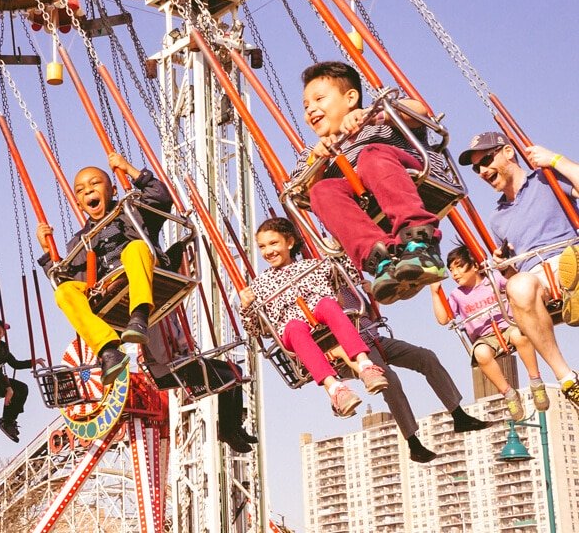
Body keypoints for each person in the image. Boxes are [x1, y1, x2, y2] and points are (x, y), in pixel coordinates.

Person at [291, 61, 449, 304]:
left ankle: (420, 241)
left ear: (351, 97)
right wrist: (319, 161)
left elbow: (419, 110)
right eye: (306, 106)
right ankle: (381, 259)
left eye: (319, 99)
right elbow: (306, 192)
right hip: (365, 204)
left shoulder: (376, 119)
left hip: (408, 177)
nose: (310, 110)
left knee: (371, 155)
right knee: (322, 190)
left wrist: (376, 115)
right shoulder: (313, 154)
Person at [458, 132, 579, 408]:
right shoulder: (497, 221)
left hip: (568, 253)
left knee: (571, 262)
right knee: (517, 287)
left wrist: (555, 160)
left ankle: (573, 283)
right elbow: (512, 277)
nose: (482, 171)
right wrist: (503, 266)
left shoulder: (547, 179)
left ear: (509, 153)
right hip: (539, 277)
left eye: (487, 160)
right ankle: (567, 378)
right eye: (477, 168)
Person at [37, 152, 172, 386]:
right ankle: (109, 350)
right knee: (64, 293)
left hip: (141, 268)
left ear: (113, 190)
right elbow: (67, 280)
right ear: (79, 203)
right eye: (80, 190)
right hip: (108, 287)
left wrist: (128, 169)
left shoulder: (131, 211)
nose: (88, 190)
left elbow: (161, 199)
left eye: (95, 183)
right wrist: (49, 255)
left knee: (135, 248)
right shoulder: (80, 241)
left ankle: (139, 316)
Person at [239, 217, 388, 418]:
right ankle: (335, 389)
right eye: (262, 246)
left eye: (274, 243)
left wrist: (337, 252)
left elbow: (350, 278)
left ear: (289, 242)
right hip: (293, 329)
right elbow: (255, 330)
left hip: (321, 314)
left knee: (327, 304)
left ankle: (365, 366)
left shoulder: (313, 266)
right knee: (293, 327)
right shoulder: (260, 284)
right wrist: (246, 307)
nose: (268, 251)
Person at [338, 285, 490, 463]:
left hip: (375, 339)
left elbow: (371, 317)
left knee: (426, 357)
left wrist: (371, 294)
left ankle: (459, 415)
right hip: (357, 350)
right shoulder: (324, 299)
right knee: (389, 380)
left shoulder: (349, 287)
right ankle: (413, 444)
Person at [430, 245, 550, 422]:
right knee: (480, 354)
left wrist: (506, 265)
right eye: (451, 270)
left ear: (475, 266)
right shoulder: (457, 295)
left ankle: (535, 381)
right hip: (484, 338)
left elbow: (515, 284)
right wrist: (434, 292)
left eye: (459, 266)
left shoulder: (493, 279)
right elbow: (443, 319)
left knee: (520, 335)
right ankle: (508, 393)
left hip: (508, 326)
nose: (454, 273)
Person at [143, 315, 257, 453]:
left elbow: (184, 340)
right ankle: (227, 431)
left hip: (183, 361)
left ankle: (235, 426)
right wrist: (182, 346)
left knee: (236, 370)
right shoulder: (154, 322)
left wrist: (184, 345)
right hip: (169, 369)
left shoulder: (170, 315)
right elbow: (162, 356)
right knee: (228, 378)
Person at [0, 319, 46, 442]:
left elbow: (14, 363)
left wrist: (33, 362)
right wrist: (8, 388)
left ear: (3, 333)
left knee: (22, 388)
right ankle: (7, 421)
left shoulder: (3, 347)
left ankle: (8, 421)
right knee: (14, 389)